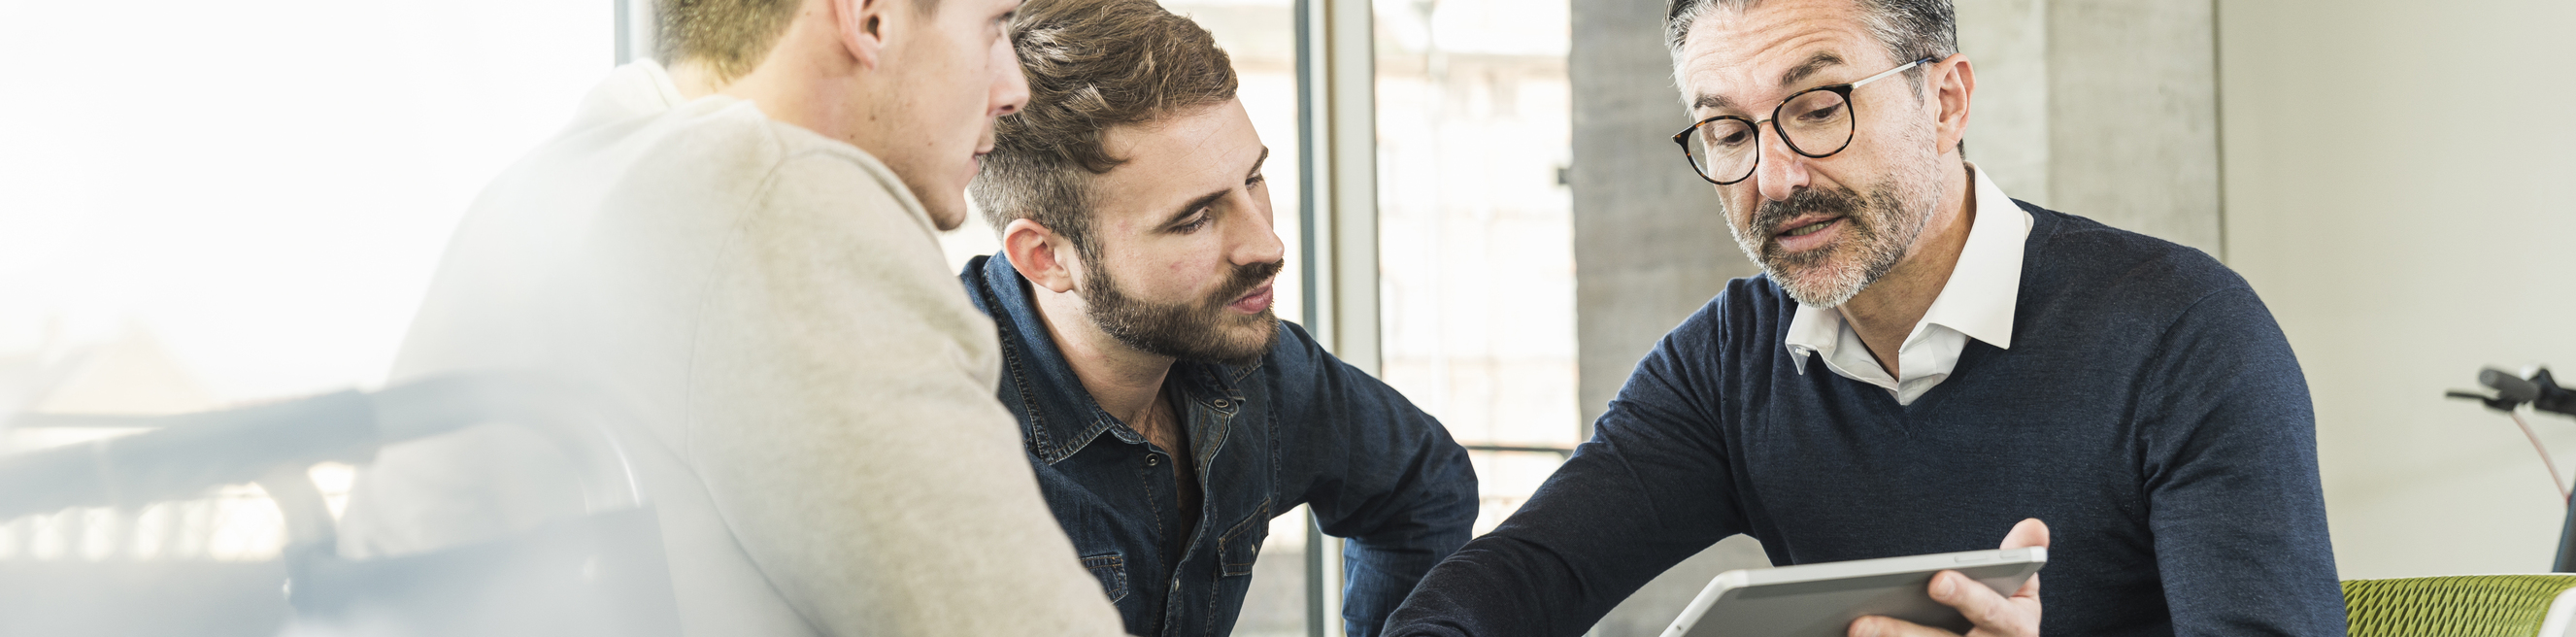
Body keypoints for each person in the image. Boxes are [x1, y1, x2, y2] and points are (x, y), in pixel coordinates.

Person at [1381, 0, 2343, 635]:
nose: (1776, 177)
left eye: (1819, 105)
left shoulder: (2185, 335)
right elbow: (1524, 573)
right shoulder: (1726, 364)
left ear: (1946, 100)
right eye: (1727, 131)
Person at [334, 0, 1128, 634]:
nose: (1014, 86)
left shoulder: (548, 186)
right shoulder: (775, 195)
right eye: (994, 27)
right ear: (871, 20)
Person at [958, 0, 1480, 635]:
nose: (1267, 247)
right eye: (1194, 219)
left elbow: (1422, 487)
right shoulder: (939, 427)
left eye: (1253, 180)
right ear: (1046, 257)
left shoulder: (1253, 368)